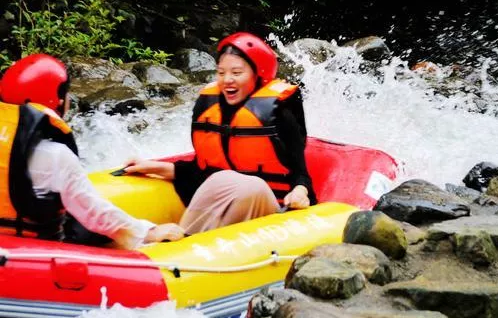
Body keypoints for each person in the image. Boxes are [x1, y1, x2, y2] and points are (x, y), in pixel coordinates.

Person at [124, 32, 316, 234]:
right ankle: (182, 239)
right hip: (233, 201)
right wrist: (152, 167)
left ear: (257, 74)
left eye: (236, 73)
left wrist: (300, 192)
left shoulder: (280, 114)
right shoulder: (210, 108)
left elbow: (300, 174)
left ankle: (186, 238)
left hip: (275, 208)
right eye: (221, 73)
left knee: (245, 185)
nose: (227, 80)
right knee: (221, 180)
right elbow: (201, 172)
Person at [0, 53, 185, 248]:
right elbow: (94, 213)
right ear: (58, 101)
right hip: (35, 259)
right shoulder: (55, 155)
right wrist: (148, 232)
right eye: (66, 94)